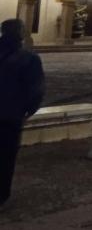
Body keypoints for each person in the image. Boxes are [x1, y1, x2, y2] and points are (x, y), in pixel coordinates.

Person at [0, 19, 45, 206]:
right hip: (10, 116)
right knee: (5, 157)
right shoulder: (28, 58)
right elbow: (36, 90)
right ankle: (1, 195)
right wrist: (27, 111)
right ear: (20, 33)